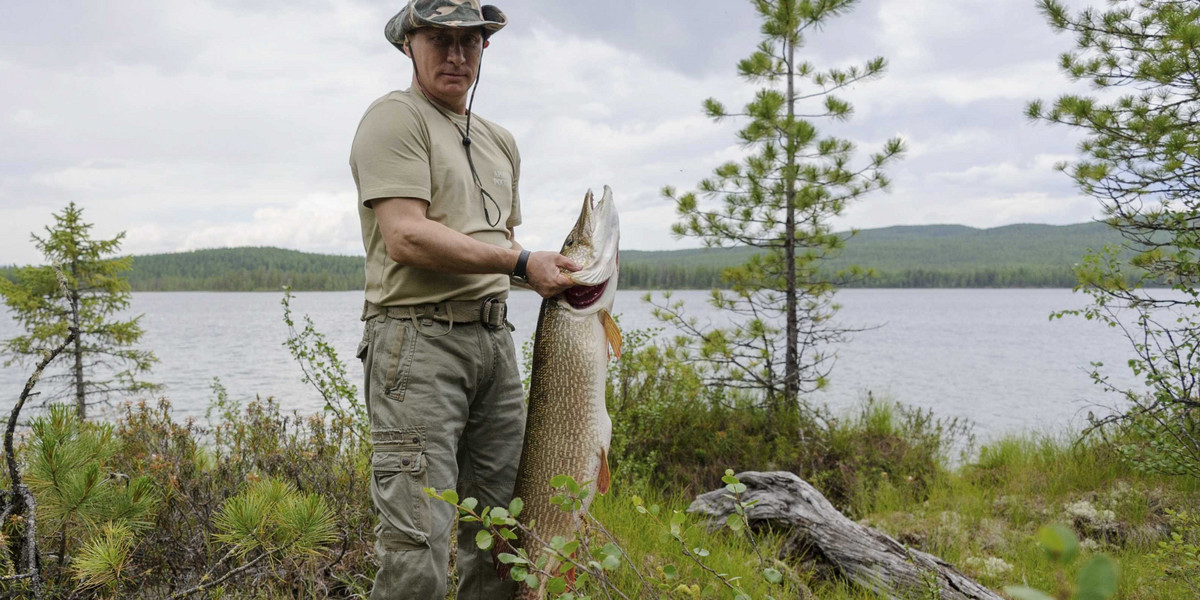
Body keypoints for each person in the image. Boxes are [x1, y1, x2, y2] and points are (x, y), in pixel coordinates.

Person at [349, 1, 578, 598]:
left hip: (494, 346)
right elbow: (406, 235)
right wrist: (522, 263)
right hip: (416, 346)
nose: (456, 55)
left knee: (501, 539)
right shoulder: (395, 119)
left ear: (484, 49)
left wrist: (553, 274)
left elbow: (496, 245)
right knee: (417, 546)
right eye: (440, 40)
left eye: (470, 42)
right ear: (408, 44)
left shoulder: (499, 140)